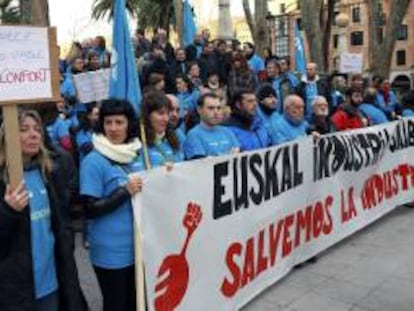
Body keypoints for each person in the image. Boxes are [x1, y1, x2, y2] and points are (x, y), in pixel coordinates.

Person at [0, 109, 86, 311]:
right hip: (15, 291)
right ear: (7, 136)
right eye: (23, 129)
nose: (33, 134)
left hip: (51, 283)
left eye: (37, 129)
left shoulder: (48, 173)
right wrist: (7, 210)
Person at [80, 99, 143, 311]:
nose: (114, 128)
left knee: (135, 303)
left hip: (138, 247)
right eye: (108, 123)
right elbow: (90, 208)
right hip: (111, 251)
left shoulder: (136, 152)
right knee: (117, 305)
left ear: (129, 124)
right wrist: (124, 192)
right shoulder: (94, 161)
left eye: (119, 122)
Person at [184, 93, 240, 159]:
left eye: (219, 108)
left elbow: (237, 154)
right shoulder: (193, 135)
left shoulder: (227, 131)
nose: (216, 112)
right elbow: (201, 163)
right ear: (199, 110)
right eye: (211, 108)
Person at [139, 91, 185, 169]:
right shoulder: (138, 142)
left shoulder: (176, 136)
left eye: (167, 113)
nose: (166, 119)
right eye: (161, 113)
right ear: (147, 115)